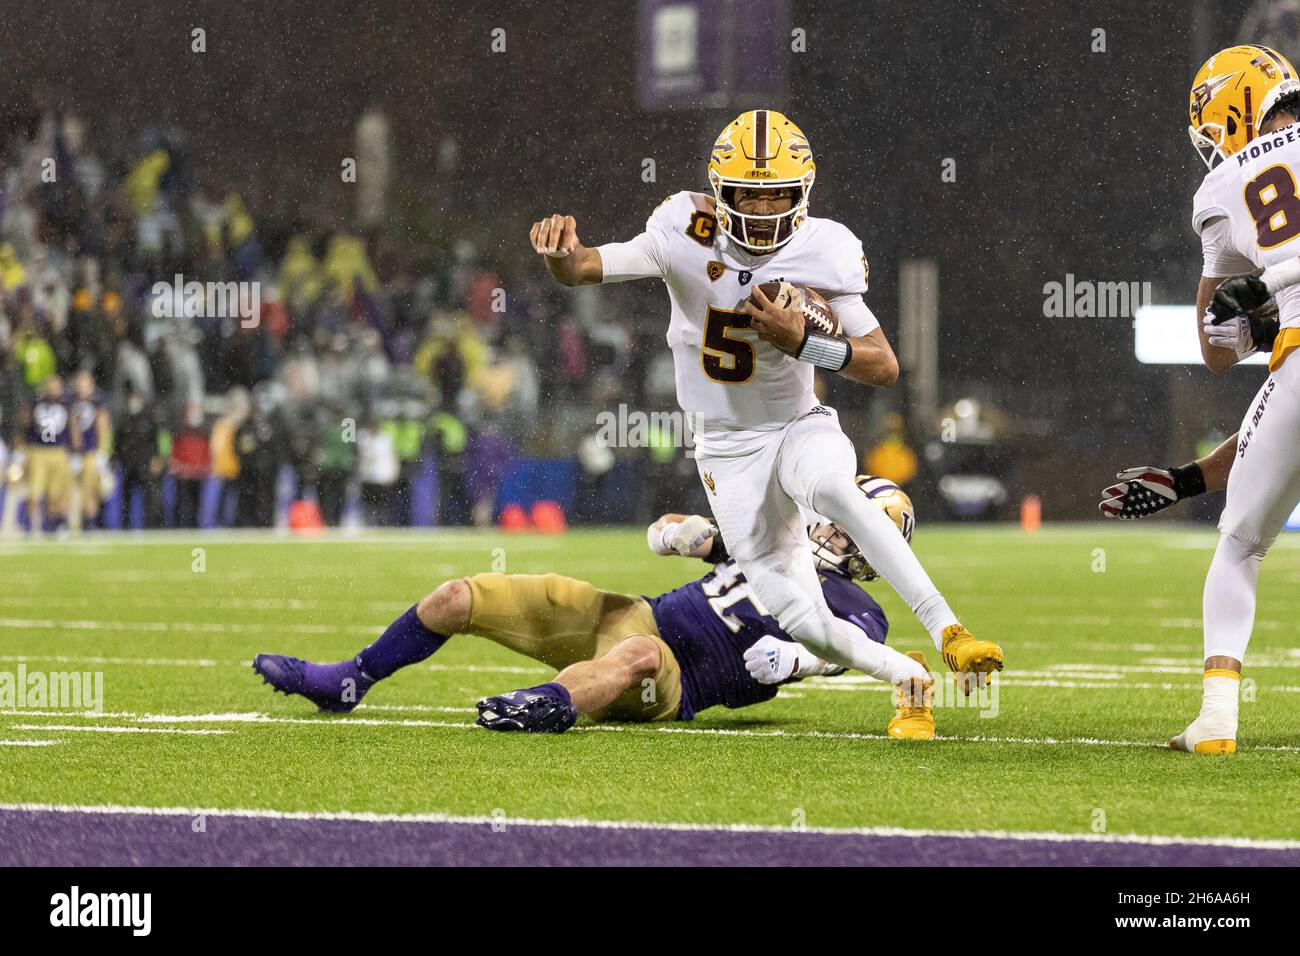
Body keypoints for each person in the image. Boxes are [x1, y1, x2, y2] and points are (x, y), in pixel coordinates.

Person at [526, 110, 1002, 727]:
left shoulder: (825, 247)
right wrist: (559, 258)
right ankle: (907, 674)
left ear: (803, 191)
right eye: (748, 191)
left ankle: (949, 630)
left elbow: (883, 366)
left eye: (776, 191)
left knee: (832, 488)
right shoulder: (682, 227)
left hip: (796, 423)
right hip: (725, 449)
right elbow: (587, 265)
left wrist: (804, 343)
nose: (761, 206)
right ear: (718, 191)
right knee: (808, 623)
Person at [251, 477, 936, 738]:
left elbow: (856, 655)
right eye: (841, 518)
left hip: (679, 679)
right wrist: (677, 534)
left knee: (635, 658)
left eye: (856, 529)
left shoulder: (856, 606)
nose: (835, 531)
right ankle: (350, 680)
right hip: (632, 612)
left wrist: (800, 663)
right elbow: (663, 529)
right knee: (458, 596)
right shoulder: (772, 543)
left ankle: (545, 706)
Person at [1162, 43, 1300, 753]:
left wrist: (1267, 288)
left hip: (1297, 364)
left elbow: (1218, 350)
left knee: (1242, 545)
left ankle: (1218, 719)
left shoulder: (1223, 189)